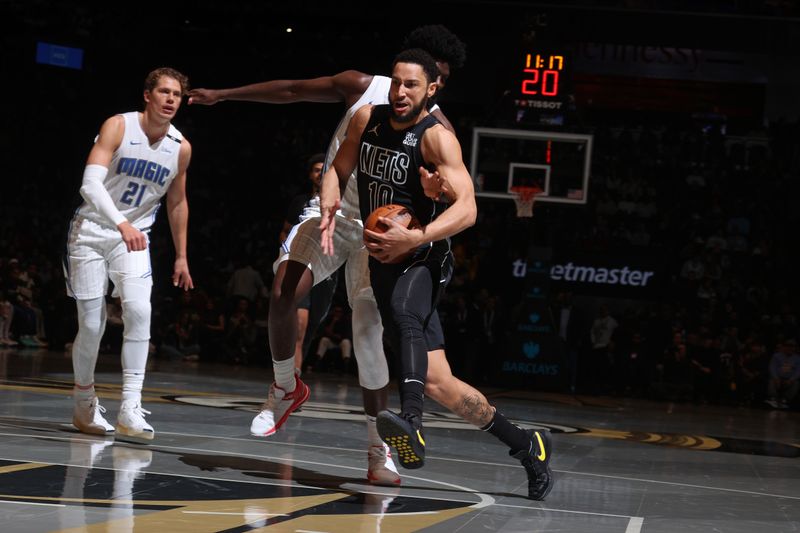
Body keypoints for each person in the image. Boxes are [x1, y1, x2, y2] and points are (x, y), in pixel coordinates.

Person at [188, 24, 466, 486]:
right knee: (283, 290)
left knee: (368, 340)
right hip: (334, 213)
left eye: (440, 80)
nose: (429, 87)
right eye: (428, 74)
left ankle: (379, 454)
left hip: (384, 232)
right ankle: (284, 386)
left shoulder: (438, 128)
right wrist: (224, 94)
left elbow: (456, 199)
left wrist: (428, 209)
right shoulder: (364, 90)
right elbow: (294, 89)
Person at [319, 49, 554, 501]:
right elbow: (339, 167)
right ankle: (528, 445)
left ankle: (410, 422)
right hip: (385, 256)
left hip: (424, 256)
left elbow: (468, 209)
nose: (401, 92)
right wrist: (330, 200)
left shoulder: (437, 137)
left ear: (432, 89)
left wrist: (417, 237)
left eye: (411, 85)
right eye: (396, 83)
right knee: (439, 382)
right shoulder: (366, 117)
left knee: (406, 313)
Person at [63, 67, 194, 442]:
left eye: (177, 95)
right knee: (91, 325)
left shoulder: (180, 147)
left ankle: (130, 408)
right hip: (90, 231)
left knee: (140, 310)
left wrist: (182, 255)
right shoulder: (119, 126)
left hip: (134, 238)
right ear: (148, 95)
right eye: (165, 92)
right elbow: (90, 184)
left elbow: (178, 201)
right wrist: (122, 223)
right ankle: (84, 402)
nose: (171, 99)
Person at [278, 153, 339, 374]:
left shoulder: (340, 202)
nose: (319, 174)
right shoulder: (300, 202)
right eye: (315, 169)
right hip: (302, 262)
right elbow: (285, 230)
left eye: (324, 169)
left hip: (328, 267)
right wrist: (286, 254)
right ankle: (290, 380)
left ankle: (296, 369)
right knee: (300, 325)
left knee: (313, 324)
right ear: (310, 175)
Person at [765, 338, 800, 409]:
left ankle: (785, 400)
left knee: (796, 383)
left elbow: (798, 371)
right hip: (778, 378)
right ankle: (773, 399)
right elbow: (772, 367)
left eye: (792, 347)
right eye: (788, 346)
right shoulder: (776, 356)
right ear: (784, 347)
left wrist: (791, 380)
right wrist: (776, 378)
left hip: (789, 379)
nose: (790, 348)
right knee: (771, 381)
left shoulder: (797, 358)